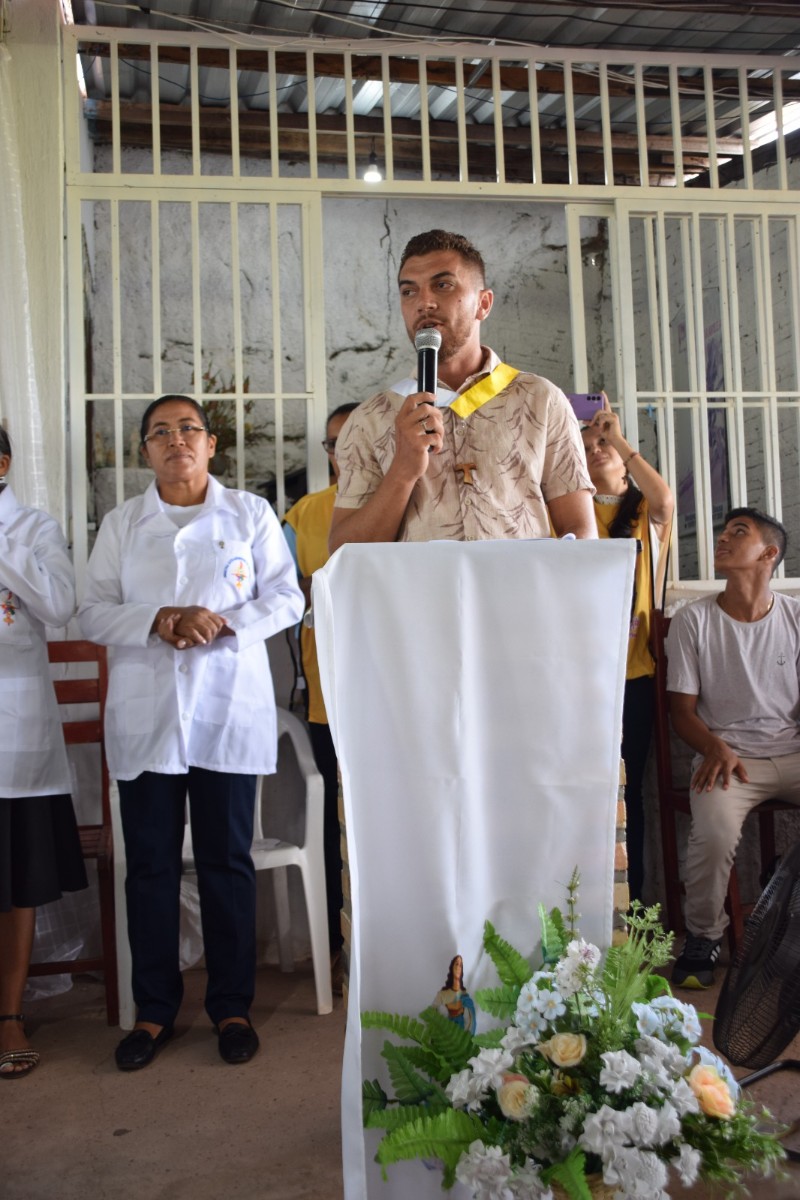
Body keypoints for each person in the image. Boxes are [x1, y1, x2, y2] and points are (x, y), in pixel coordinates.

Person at [78, 395, 304, 1069]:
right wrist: (158, 619)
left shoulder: (249, 515)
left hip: (226, 714)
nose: (175, 439)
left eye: (188, 429)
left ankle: (231, 1006)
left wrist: (221, 621)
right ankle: (153, 1013)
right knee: (147, 868)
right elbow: (91, 614)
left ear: (211, 445)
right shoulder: (123, 524)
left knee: (225, 864)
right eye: (159, 432)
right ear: (145, 452)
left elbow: (288, 597)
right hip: (148, 720)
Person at [329, 229, 596, 551]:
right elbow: (344, 552)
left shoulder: (541, 400)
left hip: (517, 597)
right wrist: (402, 470)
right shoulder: (369, 420)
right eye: (409, 292)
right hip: (421, 599)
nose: (424, 303)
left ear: (483, 304)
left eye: (443, 285)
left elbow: (580, 533)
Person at [666, 507, 800, 988]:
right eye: (722, 532)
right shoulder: (692, 621)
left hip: (792, 753)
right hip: (730, 761)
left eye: (737, 533)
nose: (722, 539)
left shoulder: (795, 616)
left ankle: (785, 901)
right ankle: (703, 937)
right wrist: (715, 747)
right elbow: (681, 712)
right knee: (714, 835)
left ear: (769, 554)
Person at [0, 429, 87, 1078]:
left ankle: (10, 1015)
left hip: (13, 737)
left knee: (15, 880)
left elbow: (58, 606)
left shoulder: (31, 528)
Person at [581, 399, 673, 902]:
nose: (597, 453)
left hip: (632, 676)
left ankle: (630, 906)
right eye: (589, 447)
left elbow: (664, 500)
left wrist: (618, 437)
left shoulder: (643, 515)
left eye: (604, 446)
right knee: (581, 793)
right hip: (579, 676)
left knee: (626, 792)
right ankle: (586, 908)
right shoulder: (567, 510)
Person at [282, 402, 358, 990]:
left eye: (352, 439)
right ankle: (337, 948)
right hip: (328, 699)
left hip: (396, 701)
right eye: (333, 444)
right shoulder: (303, 515)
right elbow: (281, 595)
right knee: (335, 826)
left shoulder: (414, 496)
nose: (341, 452)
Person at [433, 954, 476, 1033]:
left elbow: (471, 1019)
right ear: (451, 967)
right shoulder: (442, 995)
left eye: (461, 965)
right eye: (456, 964)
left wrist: (462, 1010)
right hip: (445, 1038)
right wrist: (447, 1008)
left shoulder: (465, 996)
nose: (458, 967)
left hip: (461, 1040)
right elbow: (431, 1015)